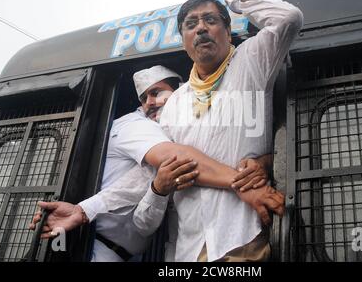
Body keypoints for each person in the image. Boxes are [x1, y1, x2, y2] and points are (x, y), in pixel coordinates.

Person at [30, 65, 284, 261]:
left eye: (157, 92)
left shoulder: (193, 127)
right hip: (104, 248)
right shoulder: (135, 125)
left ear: (182, 93)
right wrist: (247, 186)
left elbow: (251, 147)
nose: (150, 102)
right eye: (144, 98)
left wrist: (263, 161)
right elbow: (166, 167)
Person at [159, 0, 304, 262]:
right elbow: (174, 167)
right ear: (183, 41)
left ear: (228, 30)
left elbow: (289, 18)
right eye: (191, 24)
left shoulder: (250, 60)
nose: (201, 28)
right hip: (190, 246)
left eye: (210, 20)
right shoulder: (175, 103)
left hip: (243, 238)